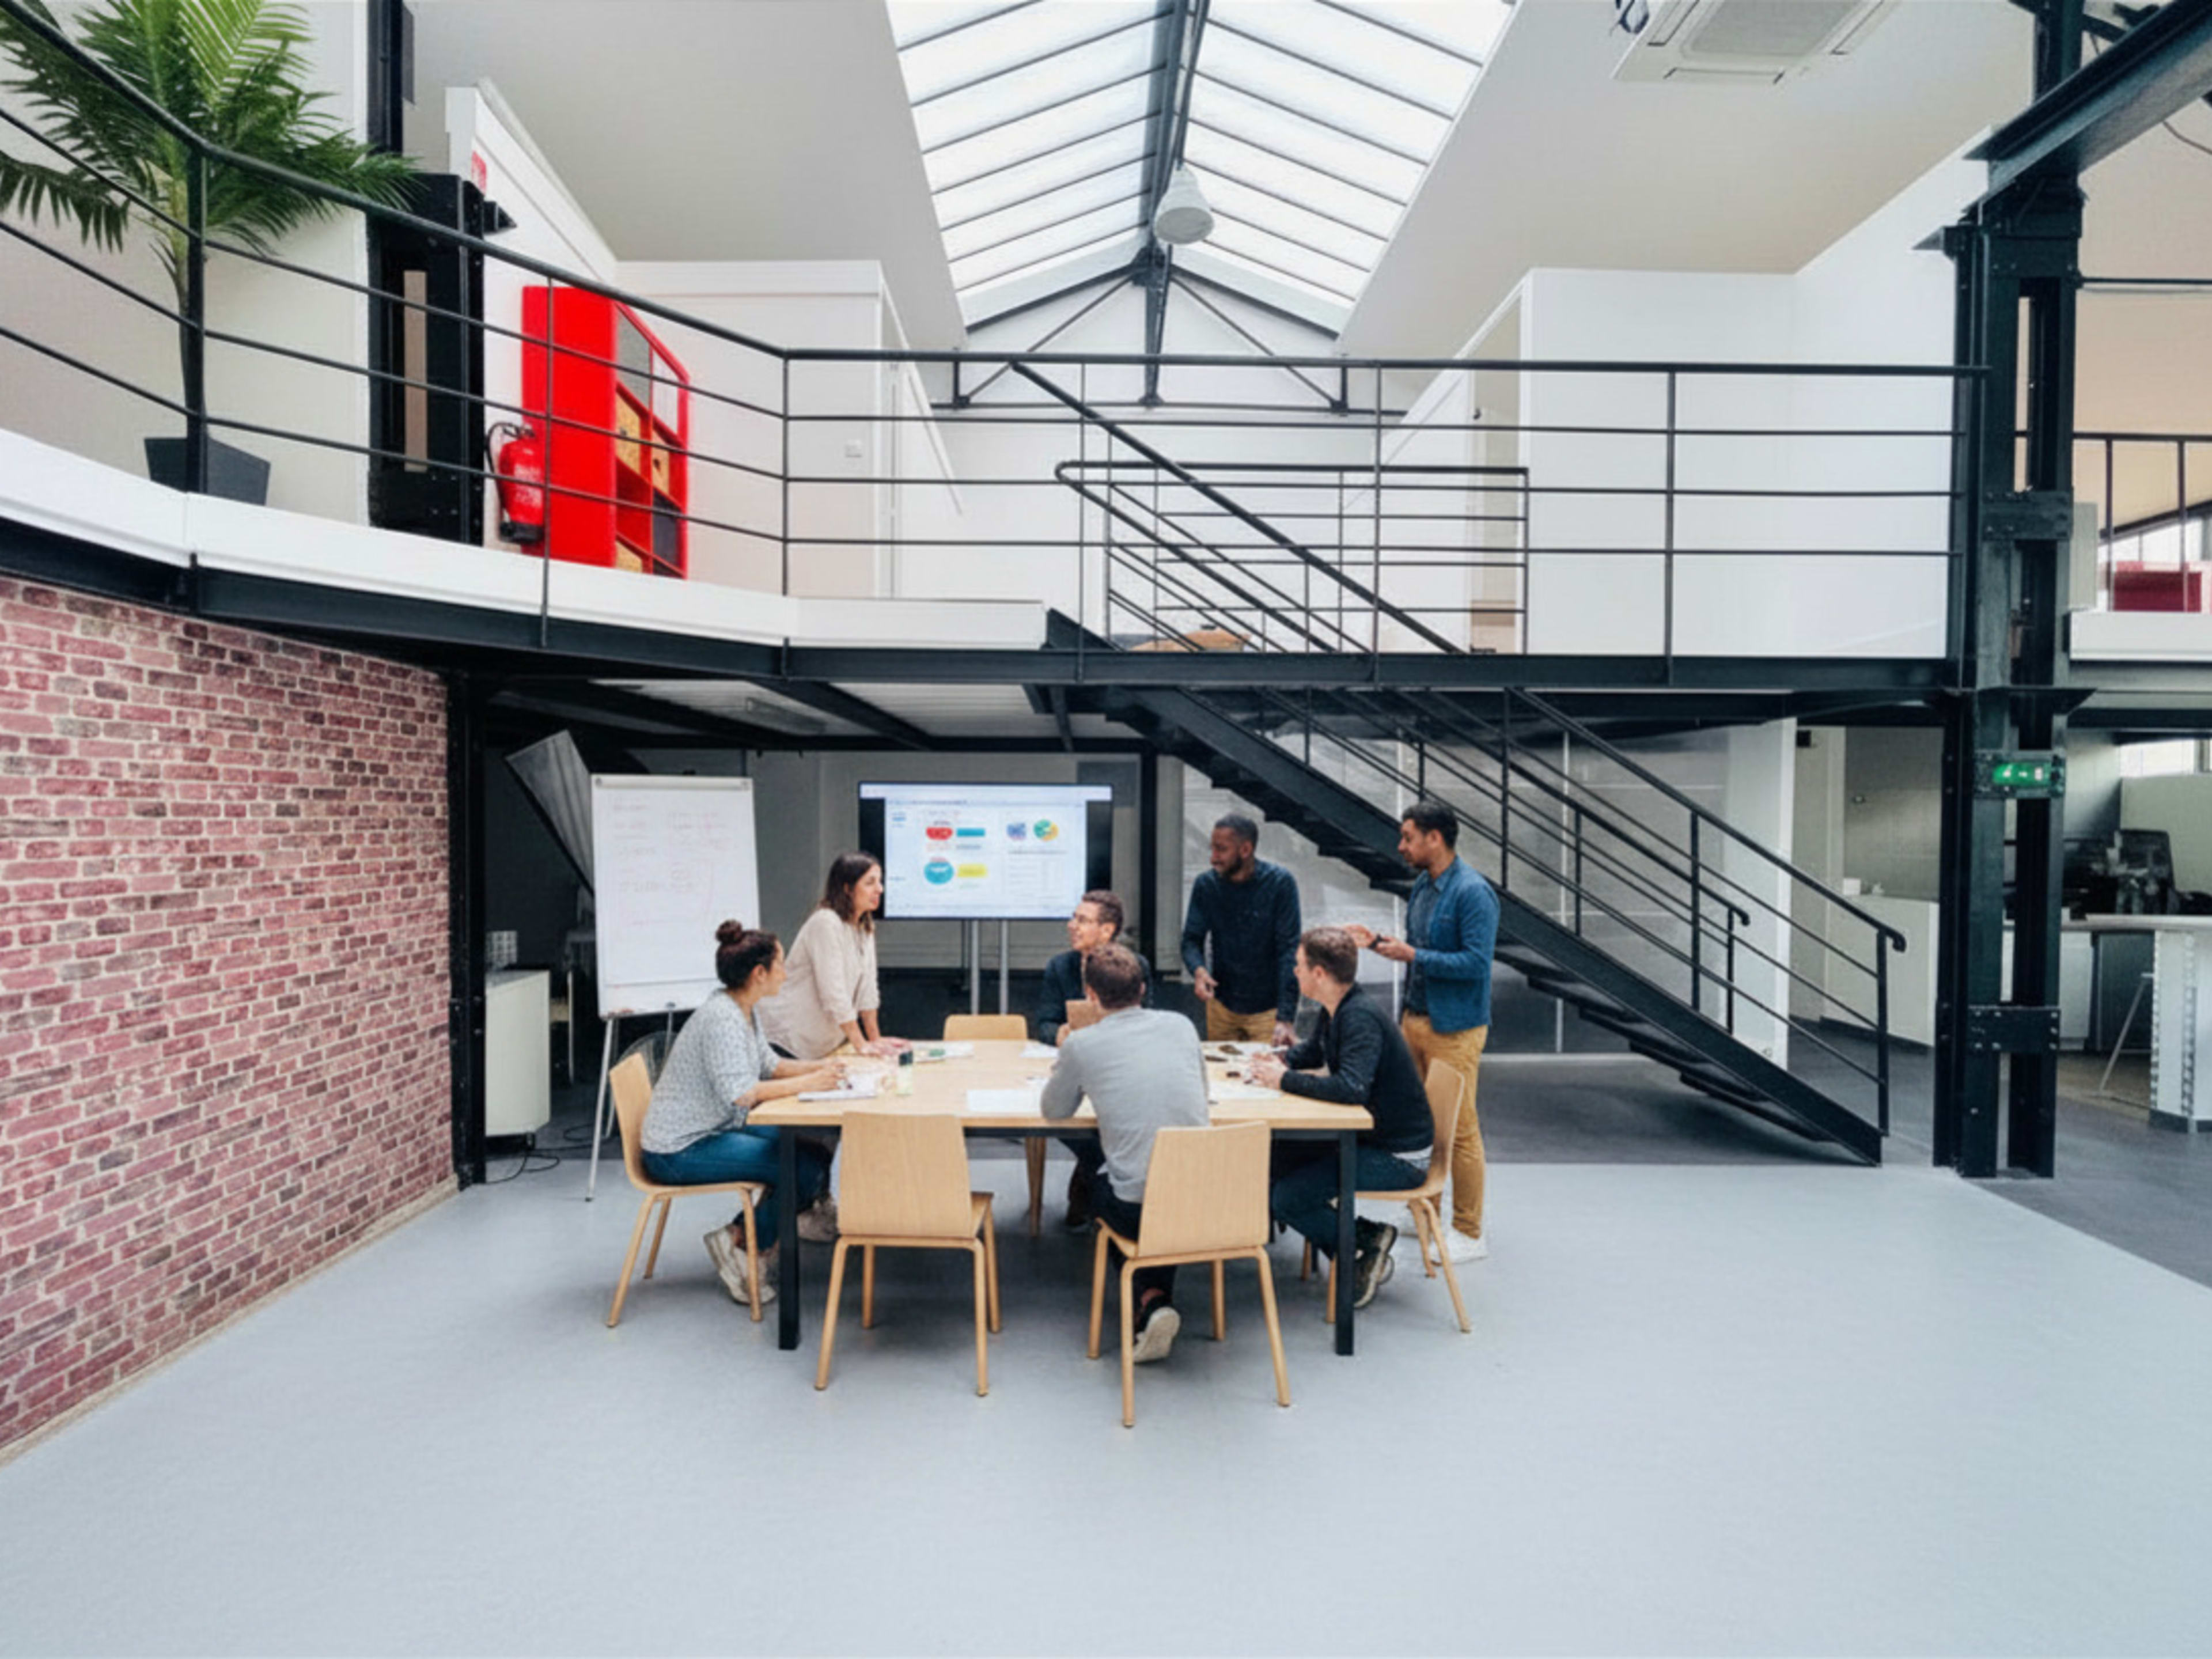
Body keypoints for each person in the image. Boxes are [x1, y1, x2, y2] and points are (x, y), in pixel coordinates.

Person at [640, 921, 839, 1306]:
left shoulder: (743, 1008)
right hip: (678, 1151)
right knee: (801, 1170)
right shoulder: (723, 1019)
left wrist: (825, 1070)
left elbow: (770, 1066)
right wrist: (811, 1084)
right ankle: (740, 1245)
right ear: (759, 974)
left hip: (714, 1131)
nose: (787, 972)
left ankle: (767, 1227)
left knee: (814, 1152)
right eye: (781, 965)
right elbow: (744, 1094)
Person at [1040, 944, 1211, 1365]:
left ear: (1091, 996)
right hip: (1206, 1200)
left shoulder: (1082, 1044)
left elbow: (1054, 1111)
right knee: (1160, 1197)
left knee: (1110, 1184)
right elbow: (1203, 1095)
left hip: (1139, 1207)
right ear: (1142, 988)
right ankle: (1153, 1303)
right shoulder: (1182, 1026)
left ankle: (1151, 1303)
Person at [1345, 798, 1498, 1264]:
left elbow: (1476, 963)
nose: (1402, 846)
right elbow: (1418, 948)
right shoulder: (1423, 886)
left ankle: (1469, 1233)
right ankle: (1425, 1211)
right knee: (1421, 1125)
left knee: (1461, 1129)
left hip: (1456, 1028)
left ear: (1435, 838)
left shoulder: (1473, 892)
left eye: (1409, 837)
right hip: (1415, 1019)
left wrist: (1414, 957)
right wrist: (1374, 942)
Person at [1249, 927, 1433, 1310]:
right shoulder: (1338, 1007)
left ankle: (1358, 1247)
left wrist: (1283, 1080)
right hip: (1372, 1139)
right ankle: (1364, 1237)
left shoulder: (1360, 1017)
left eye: (1299, 967)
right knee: (1274, 1158)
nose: (1294, 974)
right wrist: (1278, 1060)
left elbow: (1352, 1088)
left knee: (1287, 1198)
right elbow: (1315, 1052)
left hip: (1398, 1157)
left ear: (1319, 974)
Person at [1180, 812, 1301, 1048]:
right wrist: (1198, 969)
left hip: (1269, 1011)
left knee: (1266, 1077)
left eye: (1221, 850)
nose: (1213, 858)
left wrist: (1286, 1017)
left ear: (1246, 850)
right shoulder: (1206, 885)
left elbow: (1290, 951)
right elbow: (1191, 940)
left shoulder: (1280, 884)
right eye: (1212, 849)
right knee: (1222, 1078)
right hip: (1221, 1005)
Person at [1033, 889, 1153, 1047]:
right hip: (1074, 1050)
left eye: (1082, 921)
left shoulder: (1135, 965)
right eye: (1074, 918)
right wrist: (1060, 1034)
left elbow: (1144, 1019)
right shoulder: (1060, 966)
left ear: (1107, 931)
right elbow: (1045, 1024)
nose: (1072, 926)